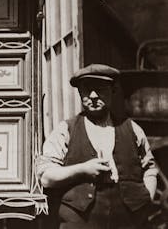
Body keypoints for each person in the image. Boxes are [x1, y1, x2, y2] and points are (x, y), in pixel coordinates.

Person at [37, 64, 158, 229]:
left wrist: (148, 197)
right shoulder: (65, 130)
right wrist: (82, 169)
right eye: (86, 89)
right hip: (80, 221)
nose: (93, 95)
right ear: (80, 93)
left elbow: (150, 169)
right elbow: (46, 178)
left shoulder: (133, 129)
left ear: (112, 90)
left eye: (100, 88)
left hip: (129, 221)